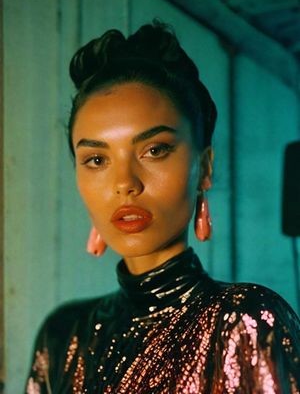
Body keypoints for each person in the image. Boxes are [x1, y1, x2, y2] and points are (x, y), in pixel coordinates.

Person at [25, 21, 300, 394]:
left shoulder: (244, 321)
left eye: (154, 150)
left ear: (203, 168)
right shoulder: (62, 335)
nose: (125, 182)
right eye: (96, 160)